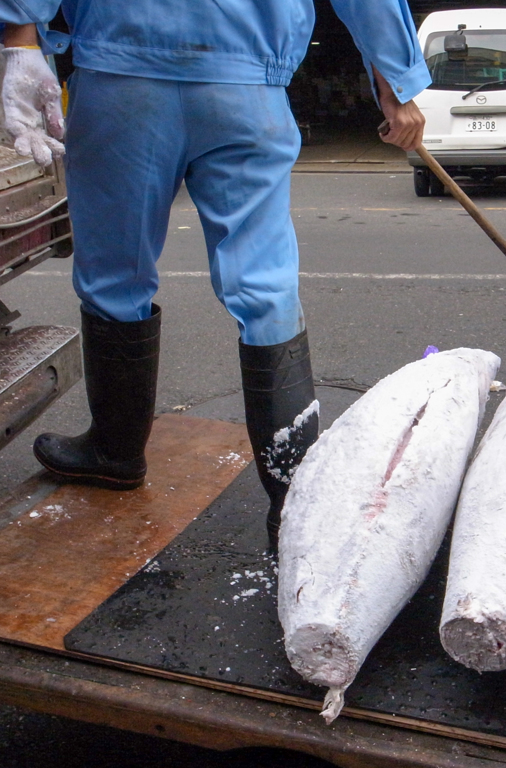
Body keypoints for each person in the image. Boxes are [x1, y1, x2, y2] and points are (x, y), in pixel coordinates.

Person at [0, 1, 428, 550]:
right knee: (265, 285)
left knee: (114, 274)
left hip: (123, 74)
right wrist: (394, 79)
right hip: (246, 85)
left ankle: (116, 450)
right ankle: (293, 500)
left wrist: (21, 37)